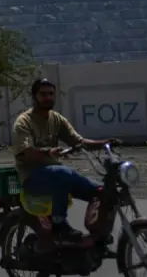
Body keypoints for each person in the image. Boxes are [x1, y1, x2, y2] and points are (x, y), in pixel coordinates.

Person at [12, 78, 118, 240]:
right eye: (43, 94)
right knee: (63, 173)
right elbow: (25, 152)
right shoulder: (24, 121)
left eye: (51, 94)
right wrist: (48, 152)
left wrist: (104, 143)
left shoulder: (56, 119)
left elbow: (79, 141)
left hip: (57, 175)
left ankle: (99, 232)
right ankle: (59, 225)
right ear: (34, 97)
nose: (48, 97)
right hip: (33, 177)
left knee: (103, 192)